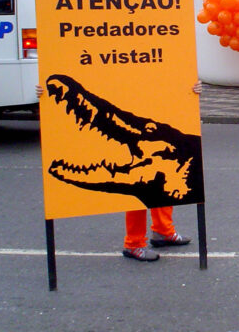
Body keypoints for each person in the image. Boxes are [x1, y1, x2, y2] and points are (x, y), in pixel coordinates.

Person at [36, 82, 201, 262]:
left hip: (155, 109)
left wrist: (191, 89)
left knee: (164, 171)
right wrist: (42, 92)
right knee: (139, 180)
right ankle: (134, 243)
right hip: (130, 103)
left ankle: (163, 231)